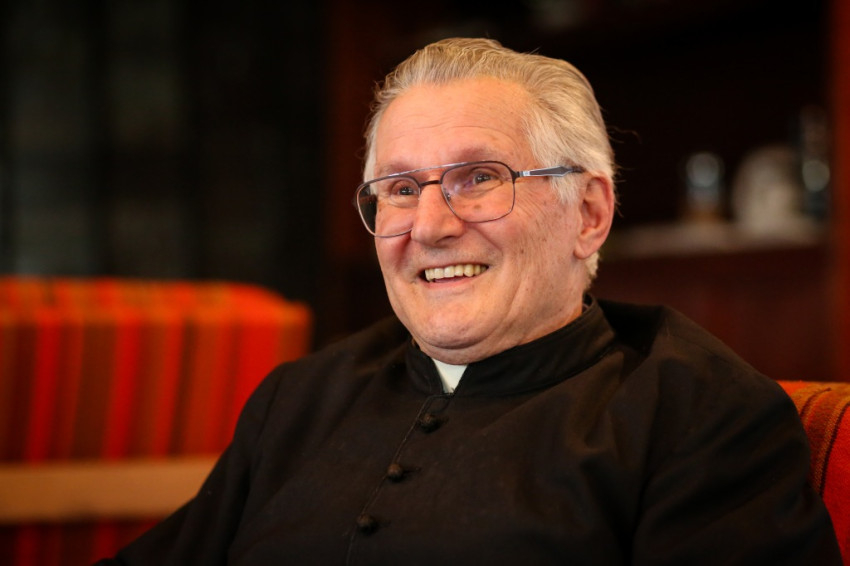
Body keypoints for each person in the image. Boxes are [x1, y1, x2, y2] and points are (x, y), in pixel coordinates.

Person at [98, 37, 841, 565]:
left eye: (479, 178)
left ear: (588, 214)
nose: (429, 226)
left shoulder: (701, 415)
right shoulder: (300, 399)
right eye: (400, 189)